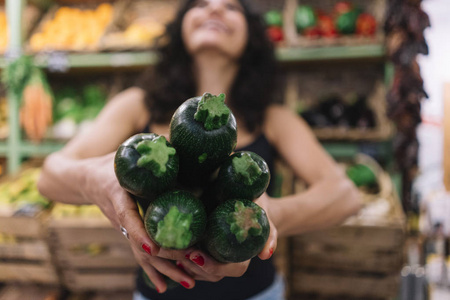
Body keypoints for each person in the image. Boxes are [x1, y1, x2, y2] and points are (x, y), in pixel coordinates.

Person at [38, 0, 362, 299]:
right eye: (201, 4)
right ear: (180, 27)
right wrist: (96, 180)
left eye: (231, 7)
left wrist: (267, 214)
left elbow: (345, 194)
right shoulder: (136, 105)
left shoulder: (275, 119)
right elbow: (50, 176)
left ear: (252, 37)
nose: (215, 9)